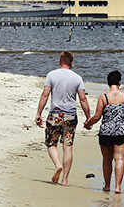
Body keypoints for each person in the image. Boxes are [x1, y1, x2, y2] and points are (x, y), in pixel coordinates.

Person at [34, 51, 91, 186]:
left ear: (59, 62)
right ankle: (65, 180)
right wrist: (88, 117)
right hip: (71, 116)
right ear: (71, 63)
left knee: (51, 143)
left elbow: (45, 95)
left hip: (55, 115)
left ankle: (58, 165)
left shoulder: (51, 75)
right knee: (68, 146)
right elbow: (83, 99)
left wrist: (38, 113)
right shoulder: (77, 78)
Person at [83, 70, 124, 194]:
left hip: (106, 132)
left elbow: (97, 116)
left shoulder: (103, 97)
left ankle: (107, 186)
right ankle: (117, 187)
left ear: (108, 83)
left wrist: (88, 124)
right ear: (119, 82)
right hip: (122, 131)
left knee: (107, 159)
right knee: (120, 158)